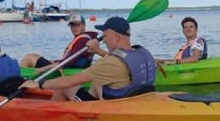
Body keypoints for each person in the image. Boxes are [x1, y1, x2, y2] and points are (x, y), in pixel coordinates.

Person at [22, 16, 157, 101]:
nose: (103, 40)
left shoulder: (110, 63)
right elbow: (118, 60)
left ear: (116, 36)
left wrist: (38, 84)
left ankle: (50, 118)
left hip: (107, 106)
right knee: (97, 82)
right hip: (133, 98)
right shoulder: (142, 53)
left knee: (63, 88)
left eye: (105, 36)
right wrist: (98, 51)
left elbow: (69, 81)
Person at [20, 14, 98, 71]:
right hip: (69, 67)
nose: (74, 28)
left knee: (29, 58)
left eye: (77, 25)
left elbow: (70, 61)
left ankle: (16, 83)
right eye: (72, 26)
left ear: (84, 26)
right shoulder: (83, 38)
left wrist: (42, 69)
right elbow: (71, 59)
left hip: (68, 70)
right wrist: (55, 61)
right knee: (34, 56)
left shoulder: (83, 40)